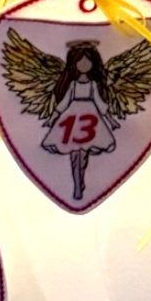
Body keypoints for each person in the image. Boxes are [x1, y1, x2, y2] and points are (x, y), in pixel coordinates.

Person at [40, 41, 120, 203]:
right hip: (72, 120)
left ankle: (80, 181)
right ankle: (77, 184)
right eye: (80, 60)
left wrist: (111, 120)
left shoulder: (92, 85)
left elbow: (99, 103)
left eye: (87, 61)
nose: (84, 64)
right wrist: (53, 118)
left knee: (83, 155)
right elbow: (64, 103)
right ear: (74, 63)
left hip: (90, 120)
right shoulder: (73, 84)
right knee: (74, 154)